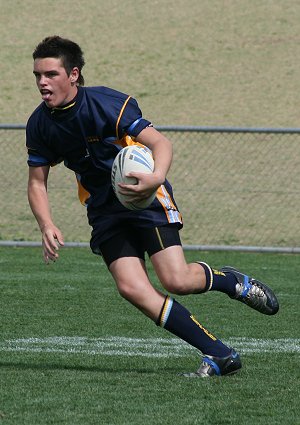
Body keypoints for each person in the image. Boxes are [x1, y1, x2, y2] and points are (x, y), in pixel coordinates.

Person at [26, 36, 279, 378]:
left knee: (177, 280)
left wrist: (156, 177)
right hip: (103, 209)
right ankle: (219, 354)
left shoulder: (107, 104)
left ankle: (232, 282)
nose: (43, 82)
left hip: (144, 197)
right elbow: (37, 182)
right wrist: (46, 224)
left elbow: (160, 142)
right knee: (131, 288)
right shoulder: (40, 124)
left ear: (73, 74)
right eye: (37, 75)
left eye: (51, 74)